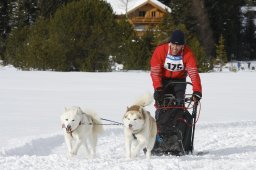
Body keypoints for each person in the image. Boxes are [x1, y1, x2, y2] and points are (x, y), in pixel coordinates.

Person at [150, 30, 202, 106]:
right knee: (161, 103)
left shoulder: (188, 53)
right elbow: (155, 72)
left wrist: (197, 90)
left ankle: (180, 116)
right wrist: (158, 88)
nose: (175, 48)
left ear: (182, 46)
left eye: (178, 46)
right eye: (173, 44)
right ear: (170, 43)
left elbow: (193, 73)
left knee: (179, 104)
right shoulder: (160, 50)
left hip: (180, 81)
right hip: (164, 80)